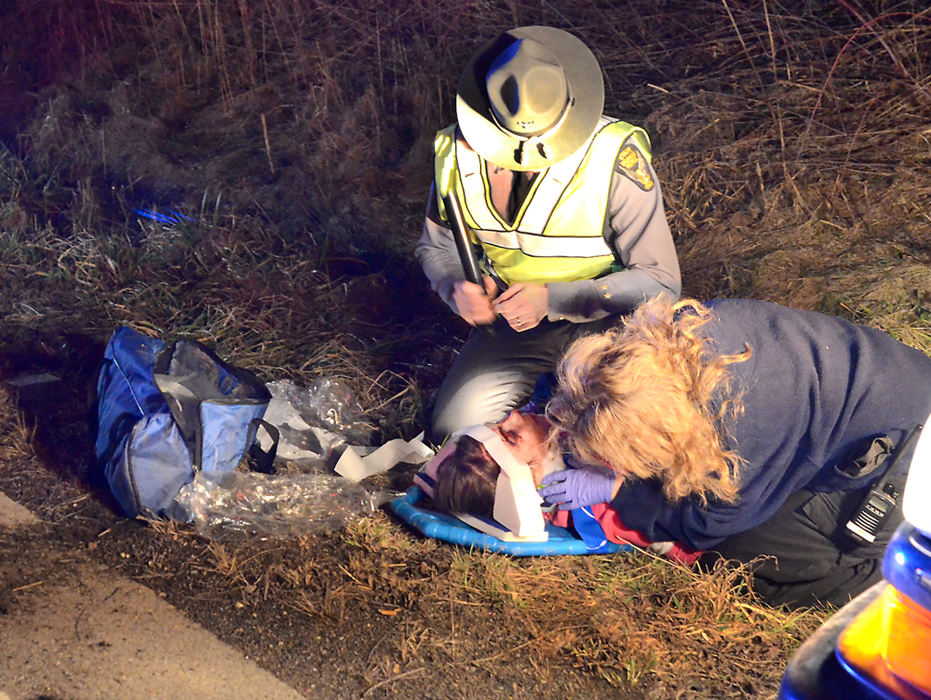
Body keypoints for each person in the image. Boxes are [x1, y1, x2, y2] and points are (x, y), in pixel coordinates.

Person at [538, 295, 931, 608]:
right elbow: (598, 393)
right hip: (897, 384)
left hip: (905, 463)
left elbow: (708, 525)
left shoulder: (741, 426)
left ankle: (886, 573)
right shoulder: (683, 329)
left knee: (743, 560)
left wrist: (620, 493)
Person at [416, 25, 681, 442]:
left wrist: (552, 298)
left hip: (607, 323)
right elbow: (436, 245)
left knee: (611, 438)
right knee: (456, 431)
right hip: (515, 327)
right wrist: (454, 284)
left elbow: (661, 283)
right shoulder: (453, 154)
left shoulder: (615, 156)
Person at [424, 386, 701, 563]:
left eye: (498, 423)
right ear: (530, 479)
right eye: (510, 437)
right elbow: (698, 528)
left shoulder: (560, 430)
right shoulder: (602, 511)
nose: (512, 416)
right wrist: (621, 490)